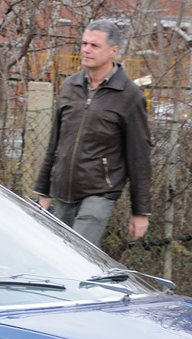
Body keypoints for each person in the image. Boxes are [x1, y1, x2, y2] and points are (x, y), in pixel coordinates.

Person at [34, 20, 153, 247]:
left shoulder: (130, 96)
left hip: (100, 191)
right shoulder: (70, 86)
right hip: (63, 189)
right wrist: (44, 191)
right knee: (60, 253)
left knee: (78, 251)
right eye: (84, 43)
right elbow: (54, 143)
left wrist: (141, 211)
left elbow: (139, 156)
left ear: (113, 51)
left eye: (94, 45)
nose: (86, 50)